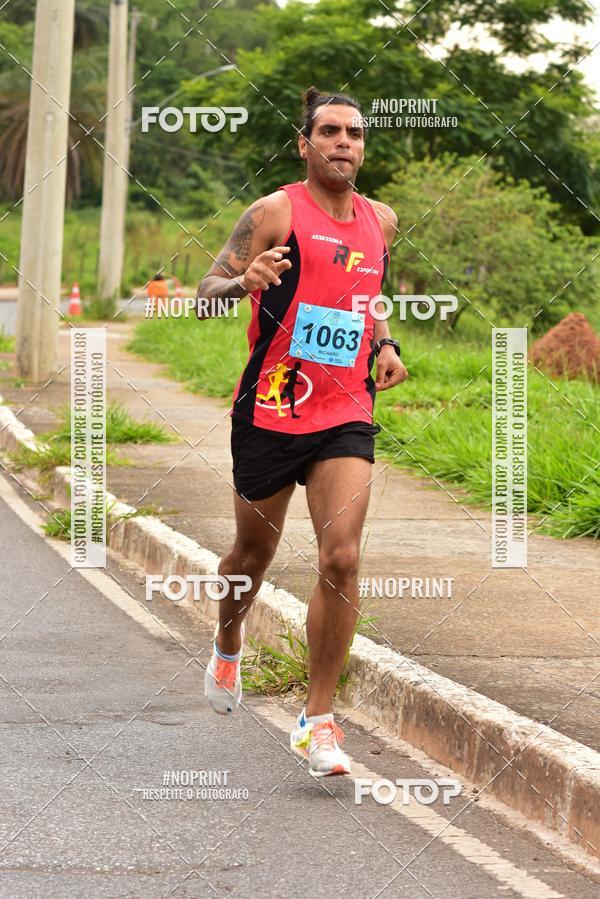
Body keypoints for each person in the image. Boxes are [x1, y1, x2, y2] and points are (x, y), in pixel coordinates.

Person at [197, 86, 408, 777]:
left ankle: (318, 720)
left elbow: (369, 292)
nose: (344, 141)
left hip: (345, 410)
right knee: (250, 557)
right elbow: (203, 296)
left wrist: (383, 341)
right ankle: (229, 642)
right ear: (305, 143)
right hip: (270, 410)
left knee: (341, 557)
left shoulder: (382, 219)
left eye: (355, 132)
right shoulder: (275, 212)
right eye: (330, 131)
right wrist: (242, 281)